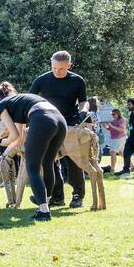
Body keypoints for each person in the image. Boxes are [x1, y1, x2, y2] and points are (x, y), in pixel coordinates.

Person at [0, 83, 67, 222]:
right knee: (48, 163)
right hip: (60, 120)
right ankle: (44, 202)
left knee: (32, 168)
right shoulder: (18, 101)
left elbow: (13, 135)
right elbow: (20, 138)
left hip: (42, 119)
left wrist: (4, 141)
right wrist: (4, 155)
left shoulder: (1, 105)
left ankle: (43, 210)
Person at [29, 50, 87, 207]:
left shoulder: (77, 80)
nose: (57, 71)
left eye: (61, 68)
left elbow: (83, 101)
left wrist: (83, 112)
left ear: (69, 65)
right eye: (54, 67)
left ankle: (77, 196)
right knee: (49, 161)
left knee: (73, 160)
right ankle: (57, 197)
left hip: (70, 124)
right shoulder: (41, 80)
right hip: (48, 124)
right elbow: (30, 99)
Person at [105, 103, 127, 174]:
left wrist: (111, 125)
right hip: (115, 138)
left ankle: (112, 168)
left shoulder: (121, 120)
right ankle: (132, 167)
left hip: (120, 138)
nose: (113, 115)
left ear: (118, 114)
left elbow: (121, 130)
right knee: (121, 153)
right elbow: (111, 129)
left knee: (112, 152)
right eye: (112, 114)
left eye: (114, 114)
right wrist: (106, 127)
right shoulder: (114, 121)